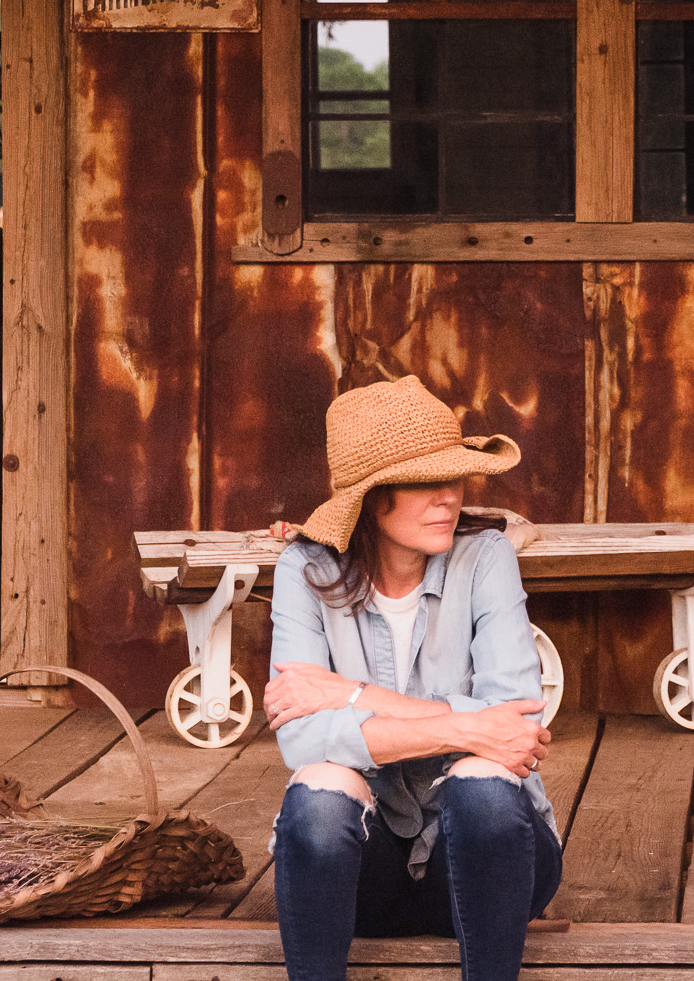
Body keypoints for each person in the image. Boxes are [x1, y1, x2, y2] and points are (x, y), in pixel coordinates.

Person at [265, 375, 561, 981]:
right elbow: (300, 738)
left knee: (483, 779)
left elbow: (514, 719)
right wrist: (465, 723)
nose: (449, 497)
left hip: (491, 865)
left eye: (453, 477)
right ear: (373, 498)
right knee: (321, 788)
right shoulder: (304, 568)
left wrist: (354, 698)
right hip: (362, 881)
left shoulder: (486, 558)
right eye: (426, 482)